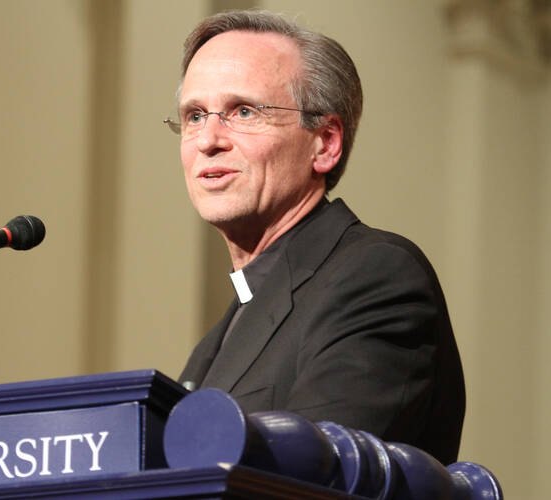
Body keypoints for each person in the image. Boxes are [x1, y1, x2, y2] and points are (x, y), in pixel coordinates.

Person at [168, 10, 465, 465]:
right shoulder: (214, 343)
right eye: (194, 116)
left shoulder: (375, 276)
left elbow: (314, 476)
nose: (208, 139)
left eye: (243, 111)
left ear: (325, 142)